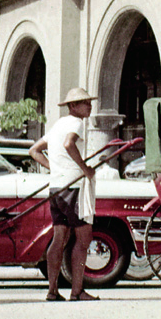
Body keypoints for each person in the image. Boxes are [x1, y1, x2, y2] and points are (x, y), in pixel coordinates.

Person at [29, 87, 99, 302]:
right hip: (73, 187)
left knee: (60, 238)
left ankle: (52, 290)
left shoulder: (58, 124)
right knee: (83, 239)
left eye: (89, 101)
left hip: (57, 188)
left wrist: (55, 168)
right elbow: (69, 144)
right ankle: (77, 291)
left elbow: (34, 150)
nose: (89, 105)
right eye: (84, 102)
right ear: (73, 106)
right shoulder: (76, 124)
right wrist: (84, 168)